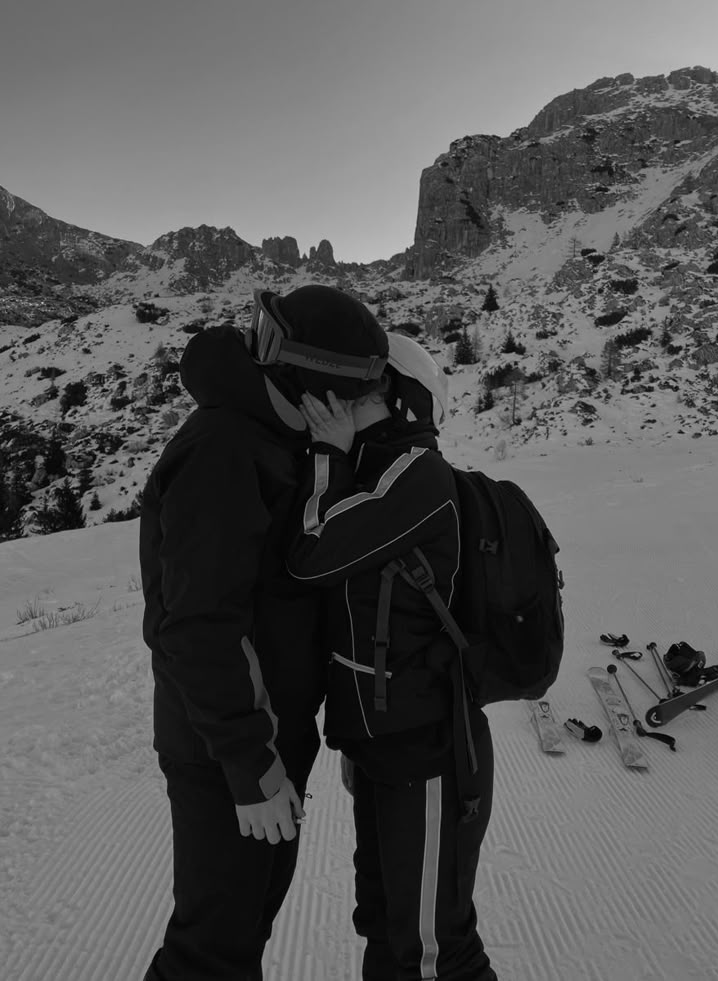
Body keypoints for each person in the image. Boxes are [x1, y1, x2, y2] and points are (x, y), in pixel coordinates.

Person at [138, 285, 389, 981]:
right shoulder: (223, 448)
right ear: (309, 384)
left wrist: (335, 458)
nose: (352, 411)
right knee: (210, 950)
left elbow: (302, 564)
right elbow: (195, 624)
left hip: (271, 734)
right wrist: (250, 764)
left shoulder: (277, 436)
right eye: (348, 394)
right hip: (227, 747)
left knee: (244, 927)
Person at [286, 333, 498, 981]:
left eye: (364, 391)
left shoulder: (418, 477)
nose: (344, 404)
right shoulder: (371, 476)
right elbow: (352, 624)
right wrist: (353, 741)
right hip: (383, 750)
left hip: (431, 752)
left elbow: (314, 550)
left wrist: (327, 452)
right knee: (382, 924)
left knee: (434, 948)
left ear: (402, 402)